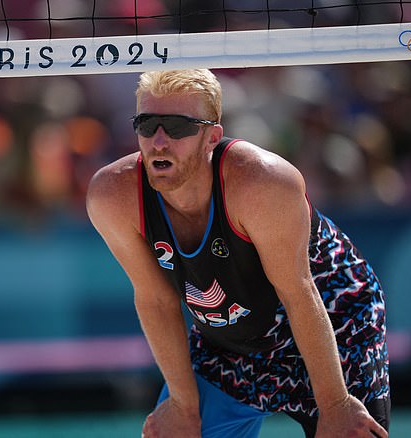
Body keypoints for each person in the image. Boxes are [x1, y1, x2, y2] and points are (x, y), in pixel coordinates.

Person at [86, 69, 390, 437]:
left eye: (178, 126)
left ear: (212, 136)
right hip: (229, 342)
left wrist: (336, 404)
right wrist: (183, 406)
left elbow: (298, 293)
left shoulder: (262, 181)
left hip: (331, 319)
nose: (159, 141)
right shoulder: (113, 195)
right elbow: (156, 300)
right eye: (147, 124)